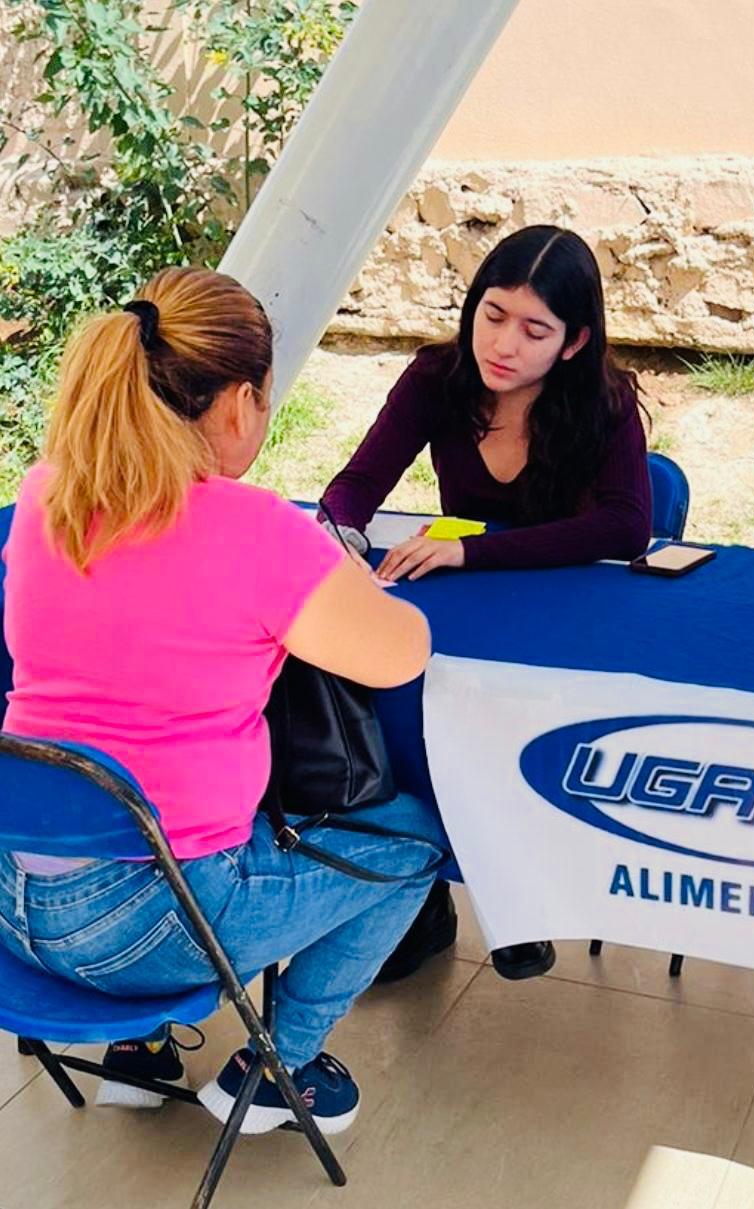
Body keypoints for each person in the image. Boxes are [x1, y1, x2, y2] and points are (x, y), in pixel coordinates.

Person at [0, 267, 443, 1137]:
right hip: (150, 926)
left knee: (121, 801)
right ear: (240, 401)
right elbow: (402, 653)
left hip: (11, 902)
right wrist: (338, 567)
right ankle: (282, 1067)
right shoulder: (257, 529)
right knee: (414, 839)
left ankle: (139, 1048)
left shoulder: (46, 493)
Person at [322, 225, 652, 983]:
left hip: (556, 608)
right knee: (392, 706)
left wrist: (470, 550)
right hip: (462, 607)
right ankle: (420, 899)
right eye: (493, 315)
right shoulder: (437, 377)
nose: (503, 344)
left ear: (573, 343)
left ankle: (512, 897)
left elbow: (626, 525)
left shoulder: (605, 401)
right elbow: (357, 483)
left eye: (535, 330)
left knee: (510, 726)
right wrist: (338, 533)